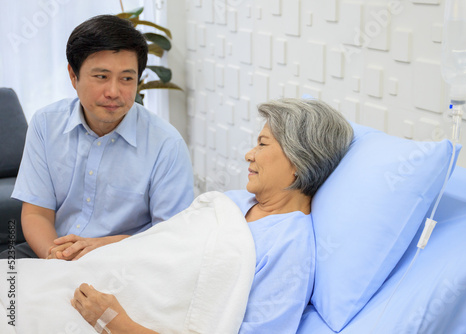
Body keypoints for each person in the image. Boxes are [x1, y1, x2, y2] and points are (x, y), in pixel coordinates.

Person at [70, 98, 354, 333]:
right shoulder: (232, 203)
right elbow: (165, 246)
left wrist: (117, 324)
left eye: (263, 144)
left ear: (299, 160)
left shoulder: (290, 246)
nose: (249, 155)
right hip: (97, 280)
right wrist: (107, 245)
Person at [0, 15, 194, 261]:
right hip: (52, 249)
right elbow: (36, 214)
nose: (114, 92)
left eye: (126, 78)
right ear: (73, 76)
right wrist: (56, 257)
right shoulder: (46, 124)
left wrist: (103, 248)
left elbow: (172, 236)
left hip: (128, 259)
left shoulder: (167, 145)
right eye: (101, 76)